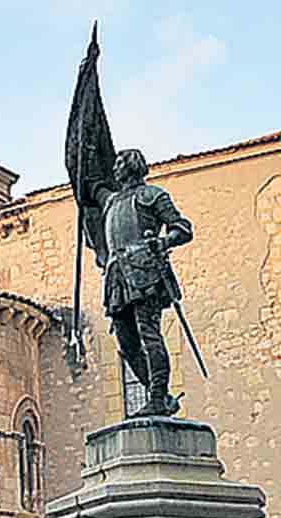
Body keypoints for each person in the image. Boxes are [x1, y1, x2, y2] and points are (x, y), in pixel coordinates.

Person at [98, 149, 194, 417]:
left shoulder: (153, 195)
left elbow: (183, 229)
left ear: (132, 166)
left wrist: (162, 242)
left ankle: (156, 397)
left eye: (118, 164)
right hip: (117, 276)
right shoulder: (112, 202)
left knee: (149, 334)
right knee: (127, 343)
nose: (114, 169)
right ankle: (161, 396)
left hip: (144, 272)